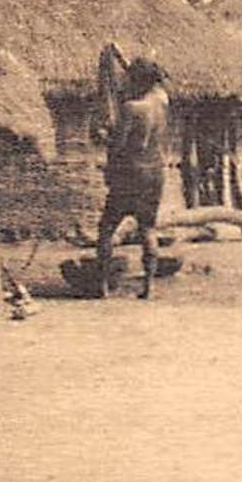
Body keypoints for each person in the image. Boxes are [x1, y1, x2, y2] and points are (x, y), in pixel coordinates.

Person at [94, 55, 169, 299]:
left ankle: (103, 286)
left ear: (136, 80)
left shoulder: (132, 109)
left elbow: (118, 145)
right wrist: (119, 56)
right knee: (147, 228)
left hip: (130, 173)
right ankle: (148, 286)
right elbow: (153, 81)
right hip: (155, 171)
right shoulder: (161, 99)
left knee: (106, 229)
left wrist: (102, 135)